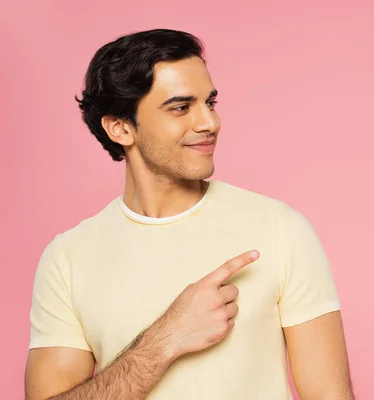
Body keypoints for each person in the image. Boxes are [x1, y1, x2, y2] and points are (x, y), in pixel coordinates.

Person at [24, 29, 353, 400]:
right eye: (181, 108)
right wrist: (166, 338)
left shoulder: (279, 229)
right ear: (120, 128)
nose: (209, 123)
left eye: (209, 103)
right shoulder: (67, 258)